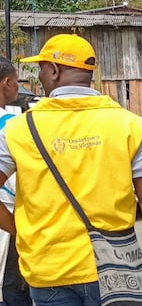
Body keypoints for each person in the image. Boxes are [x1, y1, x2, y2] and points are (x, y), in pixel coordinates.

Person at [0, 34, 142, 305]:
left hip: (49, 269)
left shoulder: (18, 129)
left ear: (53, 70)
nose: (39, 75)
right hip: (116, 266)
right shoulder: (128, 125)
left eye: (41, 67)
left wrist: (20, 230)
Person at [0, 57, 32, 306]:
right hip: (8, 218)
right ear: (8, 82)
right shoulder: (13, 128)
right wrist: (17, 230)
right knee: (13, 285)